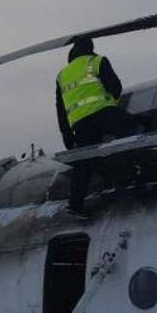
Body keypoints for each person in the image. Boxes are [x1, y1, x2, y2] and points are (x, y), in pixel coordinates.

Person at [54, 38, 139, 212]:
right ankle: (132, 172)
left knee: (83, 161)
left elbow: (60, 109)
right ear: (90, 48)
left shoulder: (62, 75)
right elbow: (115, 87)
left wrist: (67, 134)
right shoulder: (97, 61)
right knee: (134, 129)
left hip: (80, 123)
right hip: (103, 113)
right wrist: (112, 102)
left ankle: (75, 204)